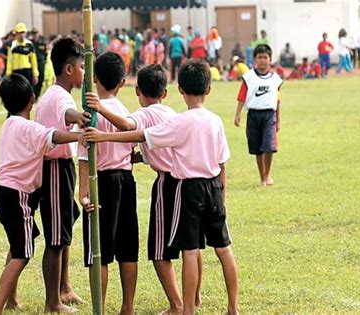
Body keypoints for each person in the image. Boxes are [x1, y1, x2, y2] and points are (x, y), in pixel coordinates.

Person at [84, 59, 239, 315]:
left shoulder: (163, 118)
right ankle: (230, 306)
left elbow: (135, 132)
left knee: (179, 251)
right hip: (213, 186)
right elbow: (222, 161)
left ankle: (182, 307)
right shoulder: (202, 118)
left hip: (182, 187)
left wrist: (102, 135)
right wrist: (222, 193)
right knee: (221, 248)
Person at [0, 74, 82, 315]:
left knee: (18, 244)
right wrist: (79, 136)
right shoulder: (29, 128)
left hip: (4, 191)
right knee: (22, 253)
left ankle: (10, 300)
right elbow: (53, 135)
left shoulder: (9, 124)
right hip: (18, 195)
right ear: (32, 99)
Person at [78, 52, 138, 315]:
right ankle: (128, 306)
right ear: (122, 83)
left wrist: (84, 195)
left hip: (100, 182)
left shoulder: (92, 115)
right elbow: (132, 144)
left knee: (99, 252)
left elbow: (83, 158)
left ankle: (99, 309)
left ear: (94, 79)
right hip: (125, 180)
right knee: (128, 248)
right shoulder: (124, 111)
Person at [35, 37, 90, 313]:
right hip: (54, 168)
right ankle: (52, 302)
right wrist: (78, 117)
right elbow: (65, 114)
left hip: (62, 167)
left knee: (65, 226)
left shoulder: (59, 93)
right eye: (82, 66)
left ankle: (65, 287)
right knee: (56, 237)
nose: (84, 72)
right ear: (69, 69)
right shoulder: (58, 96)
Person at [234, 44, 283, 186]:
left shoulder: (275, 79)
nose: (263, 60)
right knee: (257, 148)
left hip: (269, 115)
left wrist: (278, 120)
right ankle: (262, 176)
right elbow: (242, 96)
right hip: (253, 115)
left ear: (270, 59)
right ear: (255, 59)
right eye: (260, 57)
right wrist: (238, 114)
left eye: (265, 57)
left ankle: (268, 174)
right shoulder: (249, 78)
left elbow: (277, 100)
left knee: (269, 146)